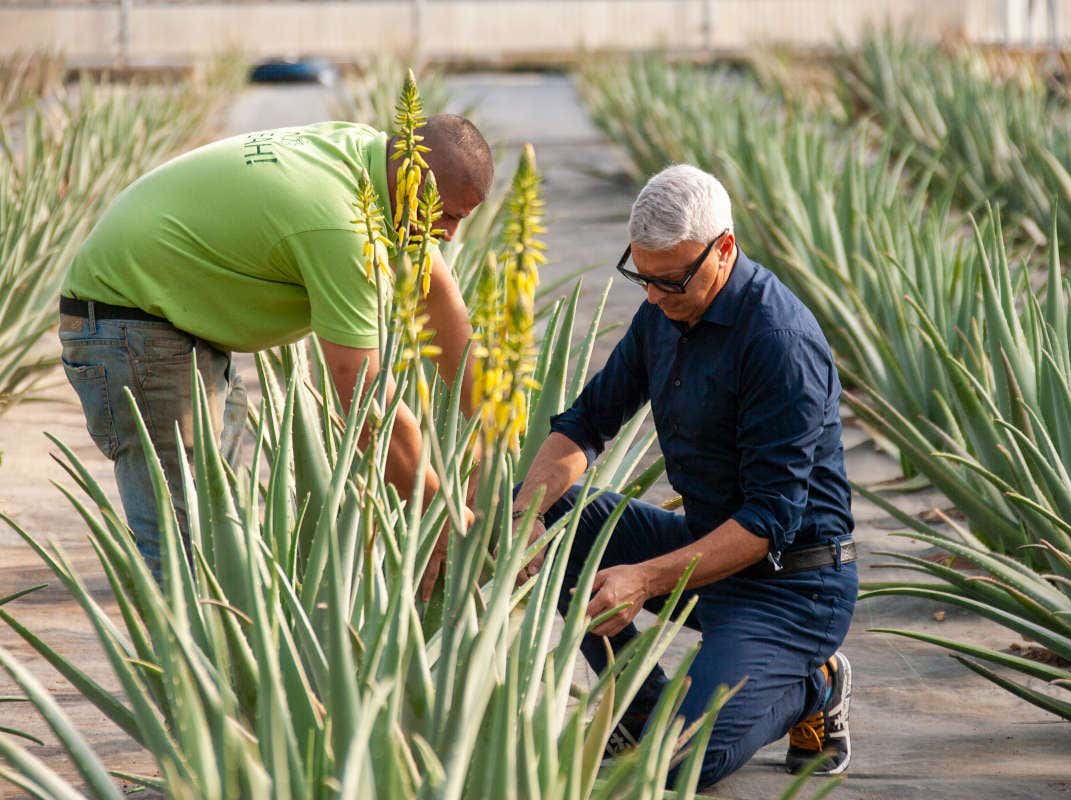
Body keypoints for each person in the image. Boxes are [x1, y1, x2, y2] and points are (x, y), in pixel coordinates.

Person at [512, 164, 858, 787]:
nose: (651, 297)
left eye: (669, 280)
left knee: (680, 767)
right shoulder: (663, 313)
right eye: (640, 276)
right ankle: (643, 709)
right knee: (559, 518)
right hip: (707, 552)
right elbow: (586, 424)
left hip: (791, 589)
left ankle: (815, 684)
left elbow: (769, 520)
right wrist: (522, 519)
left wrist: (644, 578)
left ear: (724, 249)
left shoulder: (779, 341)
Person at [58, 115, 491, 585]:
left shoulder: (374, 158)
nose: (448, 233)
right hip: (128, 320)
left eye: (458, 220)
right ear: (412, 178)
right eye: (445, 215)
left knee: (216, 520)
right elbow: (363, 394)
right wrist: (440, 509)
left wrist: (491, 437)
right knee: (184, 539)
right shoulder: (341, 225)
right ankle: (185, 654)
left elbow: (440, 305)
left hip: (176, 316)